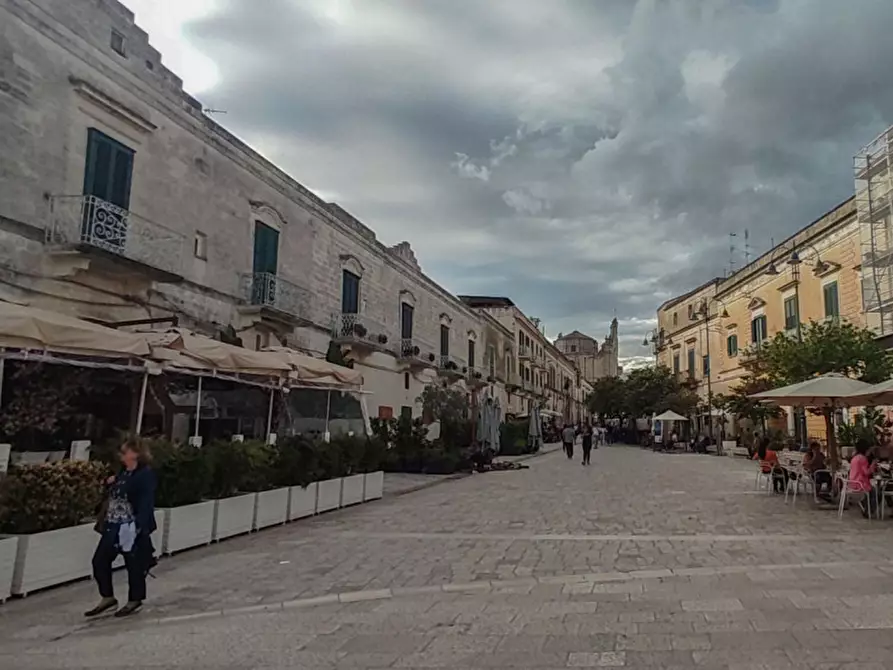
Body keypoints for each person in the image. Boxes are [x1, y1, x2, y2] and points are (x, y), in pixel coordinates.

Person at [86, 438, 157, 618]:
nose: (121, 455)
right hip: (113, 525)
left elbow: (146, 502)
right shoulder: (123, 473)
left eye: (125, 452)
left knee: (134, 564)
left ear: (136, 454)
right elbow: (116, 490)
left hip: (130, 526)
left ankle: (135, 599)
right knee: (99, 561)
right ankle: (108, 597)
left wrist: (138, 526)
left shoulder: (145, 474)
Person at [848, 439, 879, 517]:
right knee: (876, 492)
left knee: (873, 491)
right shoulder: (863, 459)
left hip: (852, 483)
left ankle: (865, 506)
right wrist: (873, 465)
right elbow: (867, 472)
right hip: (860, 484)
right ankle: (869, 510)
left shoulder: (854, 458)